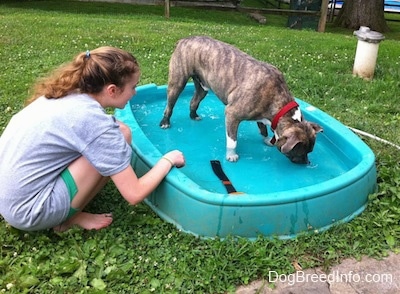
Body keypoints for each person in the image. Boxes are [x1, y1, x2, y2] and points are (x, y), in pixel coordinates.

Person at [0, 46, 185, 232]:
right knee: (115, 140)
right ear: (112, 90)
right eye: (133, 87)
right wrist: (168, 160)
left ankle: (65, 210)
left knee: (121, 134)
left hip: (8, 196)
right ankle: (66, 220)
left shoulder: (67, 93)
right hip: (30, 212)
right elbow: (134, 194)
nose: (135, 93)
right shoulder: (95, 124)